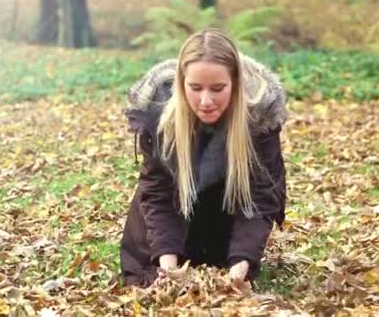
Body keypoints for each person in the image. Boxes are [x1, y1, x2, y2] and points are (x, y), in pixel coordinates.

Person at [120, 28, 287, 288]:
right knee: (150, 276)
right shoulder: (157, 112)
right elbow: (158, 193)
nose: (206, 100)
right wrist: (167, 264)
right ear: (180, 83)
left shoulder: (259, 117)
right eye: (195, 88)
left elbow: (262, 197)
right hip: (174, 213)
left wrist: (242, 262)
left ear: (235, 83)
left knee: (232, 274)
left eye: (218, 88)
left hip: (224, 216)